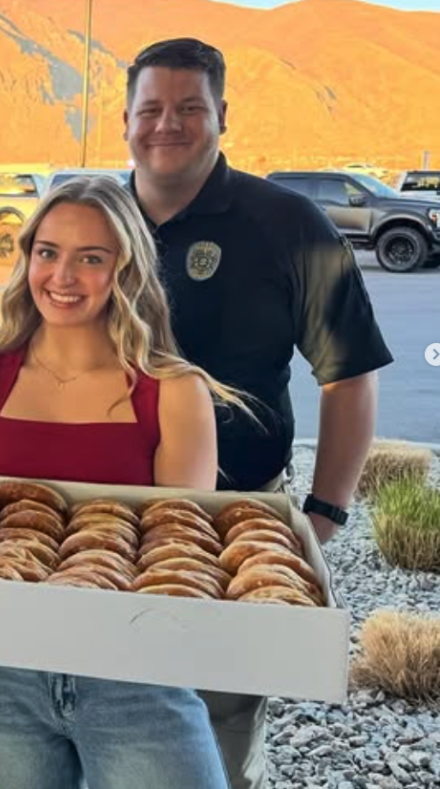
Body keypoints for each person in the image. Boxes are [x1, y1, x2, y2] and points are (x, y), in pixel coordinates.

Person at [122, 38, 392, 789]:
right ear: (125, 120)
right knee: (110, 711)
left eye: (189, 108)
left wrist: (323, 513)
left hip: (234, 516)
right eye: (151, 108)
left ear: (223, 115)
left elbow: (349, 377)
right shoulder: (94, 222)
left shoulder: (288, 223)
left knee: (220, 728)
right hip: (103, 514)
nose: (167, 124)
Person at [0, 175, 237, 789]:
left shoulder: (175, 392)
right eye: (48, 252)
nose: (63, 276)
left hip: (136, 672)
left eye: (91, 258)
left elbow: (177, 556)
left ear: (126, 270)